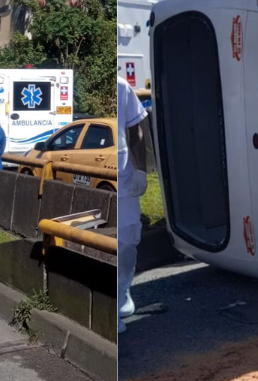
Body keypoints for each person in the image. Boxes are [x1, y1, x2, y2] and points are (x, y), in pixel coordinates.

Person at [117, 76, 148, 333]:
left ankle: (124, 290)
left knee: (128, 239)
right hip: (103, 175)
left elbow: (136, 130)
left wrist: (142, 171)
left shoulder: (121, 86)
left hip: (125, 176)